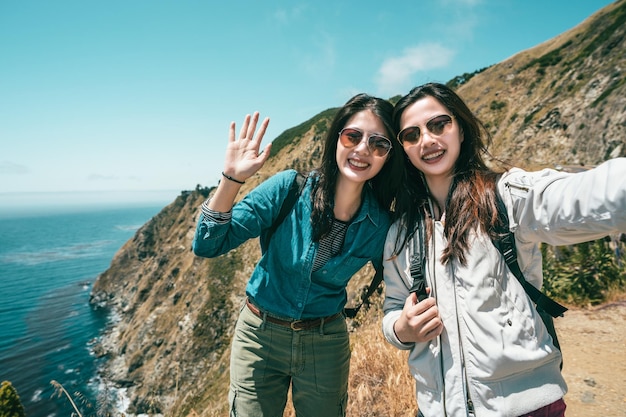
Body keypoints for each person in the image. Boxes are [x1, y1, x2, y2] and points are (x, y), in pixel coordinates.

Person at [381, 82, 626, 417]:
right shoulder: (402, 233)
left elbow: (582, 196)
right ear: (405, 150)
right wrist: (402, 328)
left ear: (461, 130)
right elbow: (392, 310)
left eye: (439, 125)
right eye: (411, 134)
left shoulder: (504, 198)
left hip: (527, 407)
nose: (427, 140)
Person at [192, 93, 404, 417]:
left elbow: (403, 282)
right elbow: (208, 244)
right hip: (259, 335)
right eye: (353, 136)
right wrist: (231, 179)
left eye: (379, 144)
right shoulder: (289, 188)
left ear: (388, 156)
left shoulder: (380, 226)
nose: (363, 149)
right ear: (337, 138)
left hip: (325, 341)